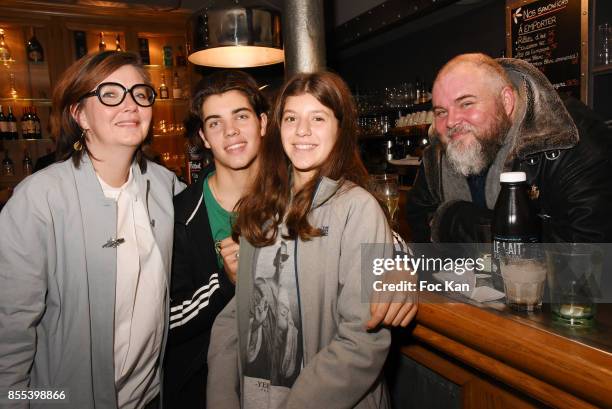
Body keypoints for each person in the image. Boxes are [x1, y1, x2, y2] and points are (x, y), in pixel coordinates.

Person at [164, 70, 416, 409]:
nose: (303, 131)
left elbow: (361, 336)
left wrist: (404, 263)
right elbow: (233, 317)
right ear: (203, 137)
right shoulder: (253, 207)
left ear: (263, 123)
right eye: (293, 118)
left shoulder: (352, 206)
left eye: (318, 118)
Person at [0, 51, 184, 409]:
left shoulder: (165, 186)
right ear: (78, 113)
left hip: (148, 398)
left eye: (140, 94)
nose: (130, 105)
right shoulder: (39, 199)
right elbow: (9, 332)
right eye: (110, 94)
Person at [406, 53, 612, 243]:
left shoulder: (567, 135)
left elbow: (589, 253)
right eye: (441, 111)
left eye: (466, 103)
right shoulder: (442, 147)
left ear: (506, 101)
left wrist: (460, 222)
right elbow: (419, 217)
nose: (451, 122)